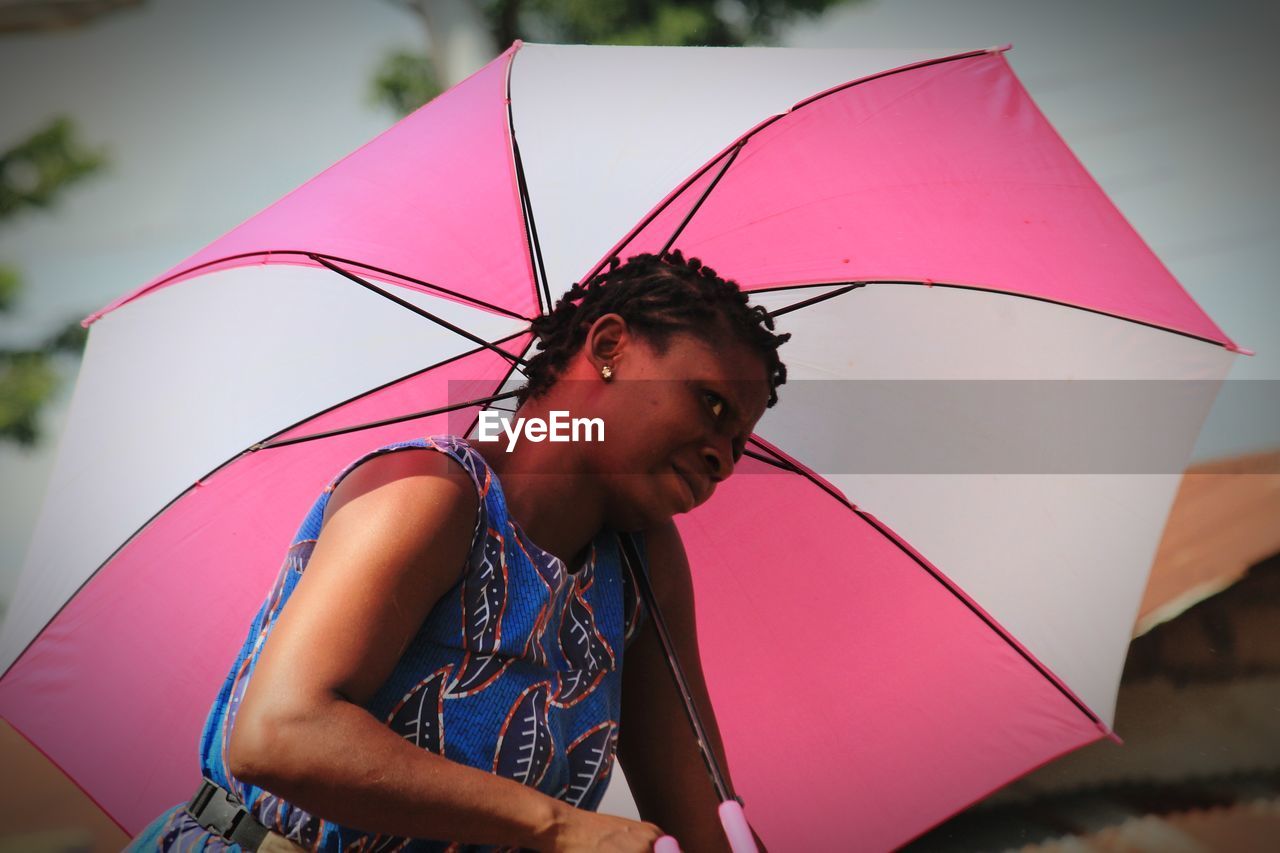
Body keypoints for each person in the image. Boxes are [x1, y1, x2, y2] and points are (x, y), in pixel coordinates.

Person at [126, 250, 790, 852]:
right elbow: (278, 733)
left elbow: (704, 822)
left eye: (738, 441)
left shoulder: (643, 566)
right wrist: (558, 826)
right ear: (610, 345)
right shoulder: (431, 493)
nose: (722, 455)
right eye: (710, 404)